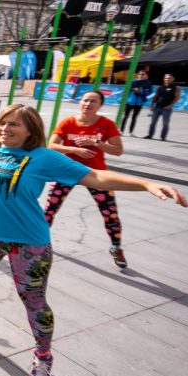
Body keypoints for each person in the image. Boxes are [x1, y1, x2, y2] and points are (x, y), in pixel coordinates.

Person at [0, 104, 188, 376]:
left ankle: (43, 357)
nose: (5, 128)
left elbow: (94, 177)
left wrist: (145, 183)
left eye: (14, 124)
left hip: (29, 244)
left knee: (34, 301)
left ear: (30, 131)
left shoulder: (43, 158)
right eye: (3, 122)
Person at [43, 90, 127, 266]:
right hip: (67, 171)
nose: (88, 104)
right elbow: (51, 145)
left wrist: (96, 143)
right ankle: (38, 242)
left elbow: (118, 150)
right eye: (85, 100)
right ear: (80, 102)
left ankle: (116, 247)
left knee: (110, 212)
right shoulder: (68, 122)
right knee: (50, 209)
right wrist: (74, 150)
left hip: (95, 173)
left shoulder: (106, 124)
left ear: (100, 105)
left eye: (93, 102)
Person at [144, 74, 180, 141]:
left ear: (173, 79)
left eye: (169, 78)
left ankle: (163, 137)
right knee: (153, 122)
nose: (167, 79)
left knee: (165, 123)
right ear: (164, 79)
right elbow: (155, 96)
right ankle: (150, 135)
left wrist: (170, 105)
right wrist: (152, 105)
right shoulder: (160, 87)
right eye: (166, 78)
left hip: (166, 109)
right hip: (157, 107)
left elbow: (177, 98)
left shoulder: (176, 88)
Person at [121, 70, 152, 135]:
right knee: (125, 116)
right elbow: (127, 91)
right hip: (130, 101)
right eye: (140, 74)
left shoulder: (148, 83)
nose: (141, 75)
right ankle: (121, 131)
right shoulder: (133, 82)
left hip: (139, 103)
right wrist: (124, 100)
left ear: (146, 75)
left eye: (143, 74)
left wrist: (141, 91)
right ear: (138, 75)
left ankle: (131, 132)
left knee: (134, 117)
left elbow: (149, 92)